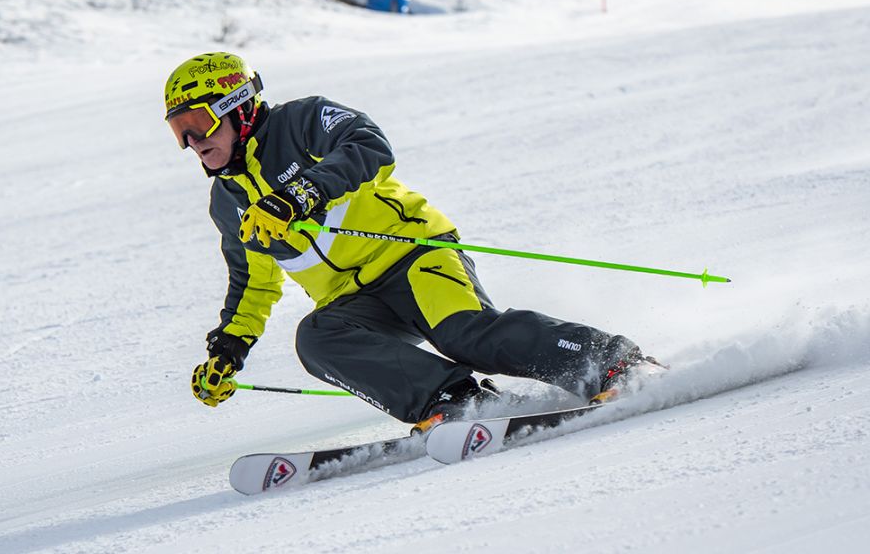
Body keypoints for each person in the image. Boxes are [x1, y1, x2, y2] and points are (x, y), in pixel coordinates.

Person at [165, 51, 652, 432]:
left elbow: (369, 146)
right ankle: (457, 402)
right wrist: (229, 348)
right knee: (316, 339)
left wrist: (301, 192)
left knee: (463, 334)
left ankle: (610, 361)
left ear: (238, 108)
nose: (192, 143)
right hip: (355, 302)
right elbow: (253, 282)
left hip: (412, 255)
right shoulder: (226, 202)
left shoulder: (303, 121)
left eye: (197, 124)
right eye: (178, 132)